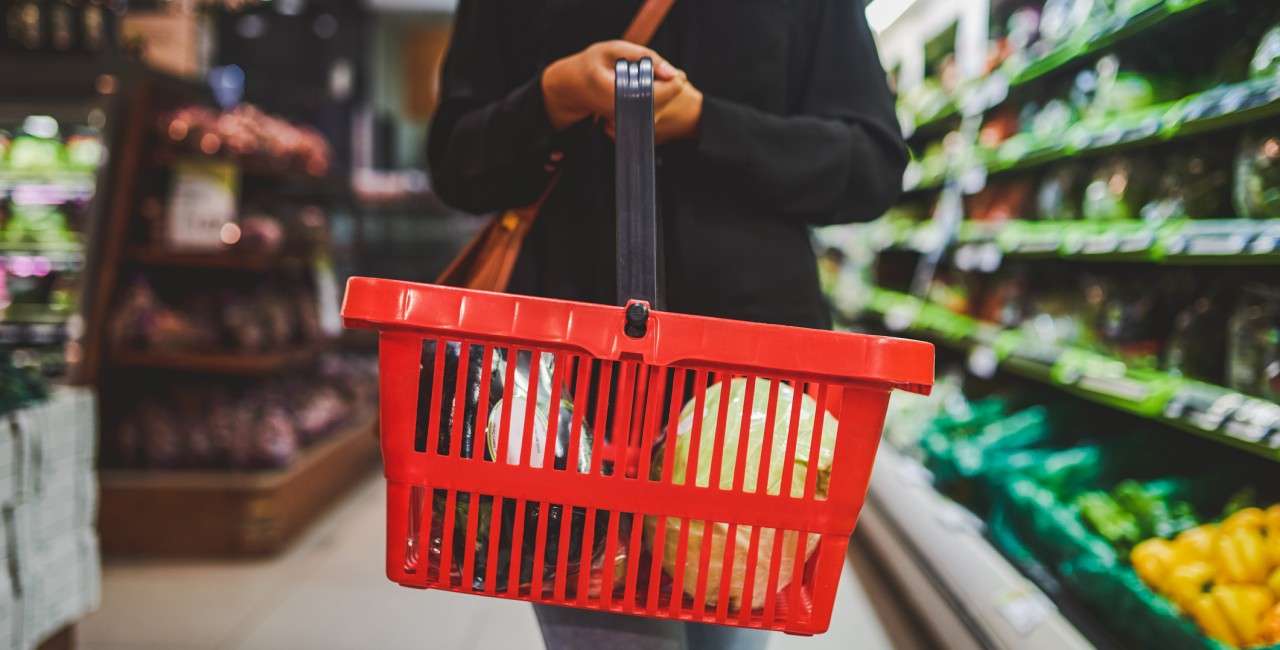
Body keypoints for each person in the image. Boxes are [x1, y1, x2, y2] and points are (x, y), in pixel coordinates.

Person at [427, 1, 905, 647]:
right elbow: (456, 161)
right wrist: (552, 96)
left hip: (751, 411)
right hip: (569, 401)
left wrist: (710, 124)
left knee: (731, 622)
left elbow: (872, 164)